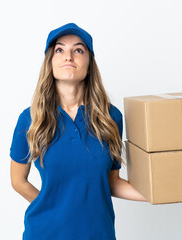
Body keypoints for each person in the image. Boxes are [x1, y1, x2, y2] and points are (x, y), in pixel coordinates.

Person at [10, 23, 147, 240]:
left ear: (89, 63)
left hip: (98, 234)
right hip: (45, 234)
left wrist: (157, 193)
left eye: (78, 50)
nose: (69, 56)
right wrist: (52, 209)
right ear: (50, 62)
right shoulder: (30, 119)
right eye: (60, 50)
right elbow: (18, 181)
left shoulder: (110, 117)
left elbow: (111, 182)